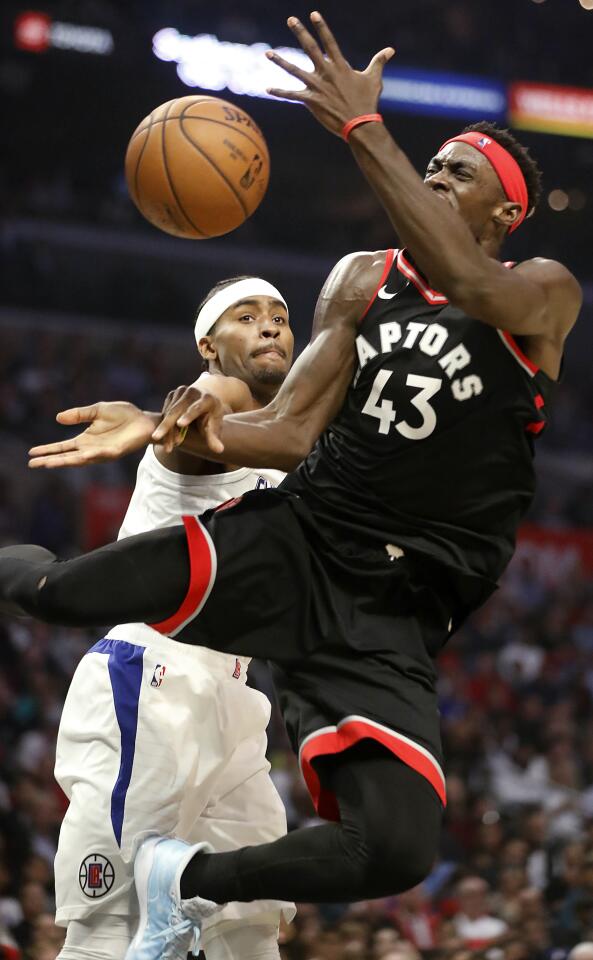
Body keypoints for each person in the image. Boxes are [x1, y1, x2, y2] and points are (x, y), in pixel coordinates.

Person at [0, 12, 582, 960]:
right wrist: (162, 425)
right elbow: (290, 431)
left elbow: (470, 284)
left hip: (400, 605)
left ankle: (183, 880)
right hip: (309, 539)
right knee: (62, 593)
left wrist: (364, 129)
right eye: (428, 167)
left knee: (391, 849)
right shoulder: (360, 279)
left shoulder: (541, 290)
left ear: (505, 214)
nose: (434, 178)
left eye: (458, 174)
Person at [46, 276, 296, 960]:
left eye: (278, 315)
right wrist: (170, 420)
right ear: (209, 346)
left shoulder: (283, 444)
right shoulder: (215, 403)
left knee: (247, 927)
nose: (270, 325)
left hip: (234, 703)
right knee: (110, 927)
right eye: (246, 317)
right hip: (150, 679)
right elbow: (197, 418)